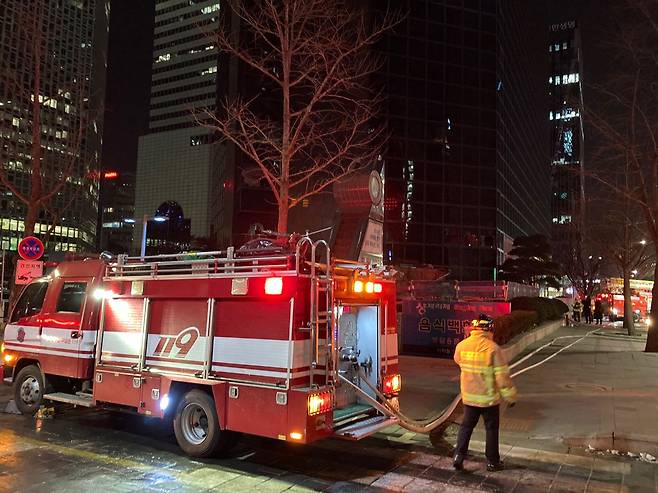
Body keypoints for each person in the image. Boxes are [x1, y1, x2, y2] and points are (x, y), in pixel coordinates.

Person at [453, 314, 517, 472]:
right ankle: (493, 462)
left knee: (466, 427)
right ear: (489, 329)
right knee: (491, 429)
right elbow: (502, 377)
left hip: (469, 398)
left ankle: (458, 457)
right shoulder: (493, 348)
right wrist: (510, 396)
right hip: (489, 400)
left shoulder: (462, 345)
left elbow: (457, 360)